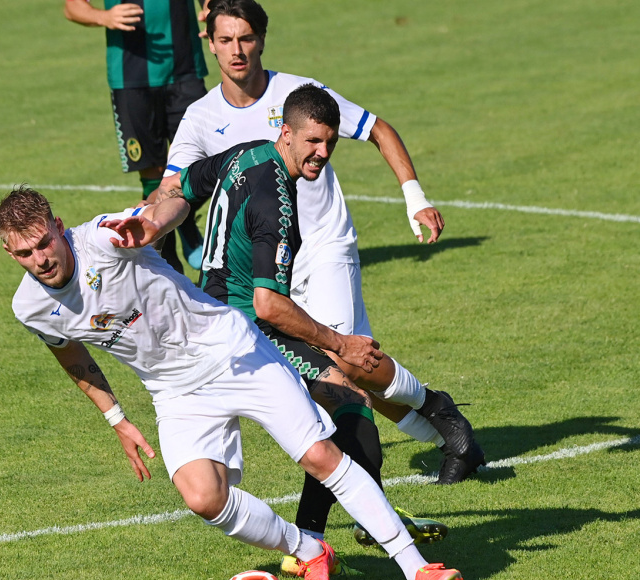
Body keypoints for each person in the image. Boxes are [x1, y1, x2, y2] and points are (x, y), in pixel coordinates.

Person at [0, 185, 464, 580]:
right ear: (9, 252)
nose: (39, 259)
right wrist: (116, 418)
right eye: (24, 253)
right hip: (175, 391)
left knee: (320, 455)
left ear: (58, 228)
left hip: (232, 352)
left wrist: (157, 224)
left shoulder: (103, 237)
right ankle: (310, 551)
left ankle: (417, 567)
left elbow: (170, 205)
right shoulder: (29, 307)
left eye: (43, 243)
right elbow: (70, 353)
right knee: (203, 497)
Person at [163, 0, 485, 485]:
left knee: (341, 363)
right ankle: (445, 430)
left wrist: (414, 197)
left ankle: (417, 434)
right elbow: (173, 188)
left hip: (324, 248)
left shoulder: (297, 93)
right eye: (225, 40)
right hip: (269, 269)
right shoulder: (201, 117)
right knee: (329, 378)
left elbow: (377, 128)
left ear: (262, 39)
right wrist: (137, 225)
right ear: (209, 44)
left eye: (246, 38)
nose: (237, 50)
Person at [156, 84, 449, 577]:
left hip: (214, 322)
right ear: (286, 132)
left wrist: (144, 226)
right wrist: (339, 343)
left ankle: (324, 543)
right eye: (313, 141)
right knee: (355, 431)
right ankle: (311, 547)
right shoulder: (278, 203)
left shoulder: (243, 155)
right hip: (243, 332)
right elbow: (268, 306)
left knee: (346, 416)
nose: (322, 153)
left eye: (330, 143)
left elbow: (176, 189)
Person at [63, 0, 208, 272]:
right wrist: (103, 16)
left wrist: (213, 7)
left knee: (197, 161)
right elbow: (72, 7)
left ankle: (186, 225)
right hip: (131, 77)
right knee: (151, 171)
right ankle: (166, 261)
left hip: (186, 68)